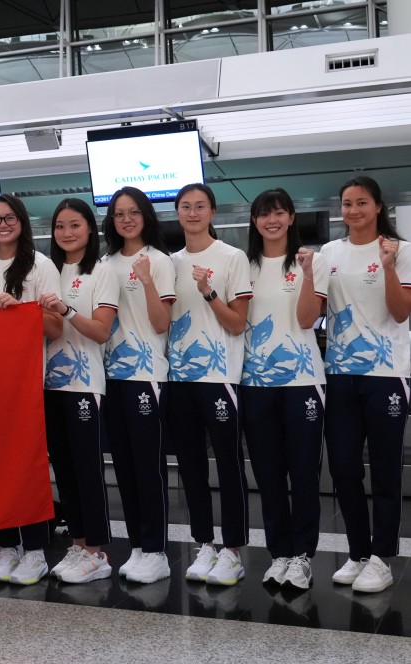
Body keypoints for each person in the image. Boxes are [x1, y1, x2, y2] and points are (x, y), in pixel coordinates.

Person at [321, 176, 411, 593]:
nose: (353, 210)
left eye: (361, 203)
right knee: (343, 466)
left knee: (386, 469)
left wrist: (389, 267)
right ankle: (358, 553)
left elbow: (400, 313)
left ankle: (382, 557)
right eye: (346, 204)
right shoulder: (330, 252)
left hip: (387, 373)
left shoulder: (400, 250)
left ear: (378, 206)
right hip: (339, 373)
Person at [166, 183, 252, 587]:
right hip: (179, 379)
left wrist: (209, 292)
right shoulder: (169, 262)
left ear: (213, 212)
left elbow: (237, 323)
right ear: (177, 213)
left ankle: (232, 549)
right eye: (186, 206)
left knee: (229, 464)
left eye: (201, 206)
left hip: (220, 378)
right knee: (191, 467)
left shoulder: (232, 258)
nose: (193, 213)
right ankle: (204, 543)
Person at [241, 189, 327, 590]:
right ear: (255, 221)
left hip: (302, 382)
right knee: (269, 473)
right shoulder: (244, 265)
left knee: (304, 472)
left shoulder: (312, 260)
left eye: (278, 213)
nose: (271, 220)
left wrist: (308, 275)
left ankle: (303, 557)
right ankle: (280, 554)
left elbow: (309, 319)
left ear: (292, 217)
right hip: (255, 383)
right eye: (263, 214)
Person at [0, 195, 62, 586]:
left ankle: (36, 550)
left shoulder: (42, 266)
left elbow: (56, 327)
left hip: (28, 382)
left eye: (9, 217)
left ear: (22, 222)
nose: (2, 224)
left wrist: (19, 310)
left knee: (29, 469)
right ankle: (7, 547)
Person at [38, 198, 119, 584]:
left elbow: (101, 331)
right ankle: (78, 543)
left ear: (90, 228)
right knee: (65, 471)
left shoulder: (102, 272)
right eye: (60, 227)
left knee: (87, 469)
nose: (67, 233)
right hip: (48, 385)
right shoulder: (48, 270)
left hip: (85, 385)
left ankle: (97, 552)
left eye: (75, 225)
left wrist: (67, 310)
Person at [100, 187, 175, 584]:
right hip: (111, 376)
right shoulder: (105, 262)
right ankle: (139, 547)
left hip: (147, 376)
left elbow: (162, 323)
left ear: (146, 216)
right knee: (125, 468)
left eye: (133, 212)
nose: (126, 219)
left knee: (148, 466)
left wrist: (146, 280)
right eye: (118, 214)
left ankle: (158, 550)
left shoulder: (159, 261)